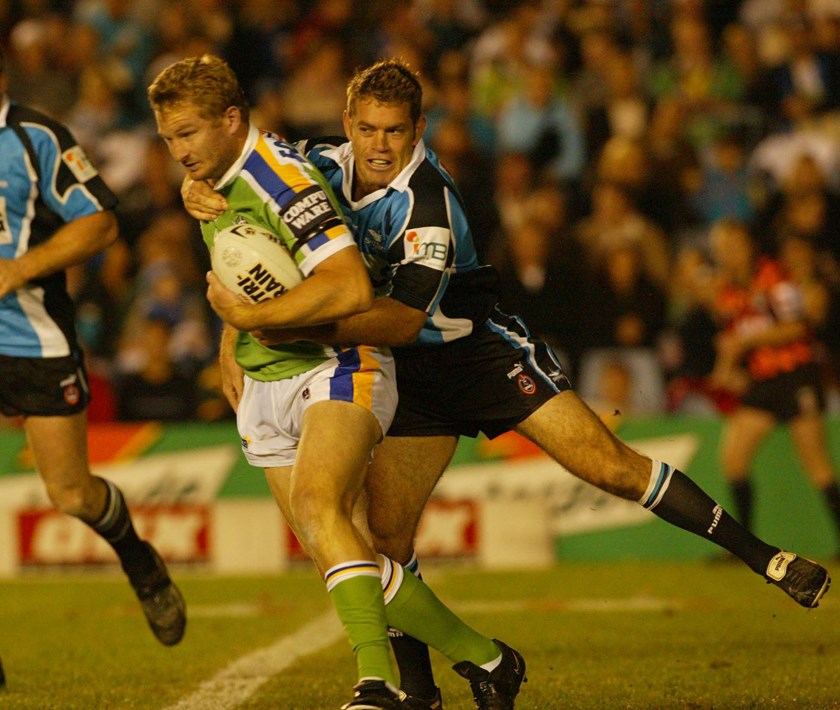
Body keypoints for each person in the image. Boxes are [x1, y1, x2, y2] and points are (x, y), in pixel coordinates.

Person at [186, 59, 831, 710]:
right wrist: (202, 205)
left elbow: (407, 320)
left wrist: (281, 329)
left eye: (395, 132)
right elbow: (238, 205)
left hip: (476, 353)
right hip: (400, 368)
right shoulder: (313, 166)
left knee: (607, 466)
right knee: (387, 538)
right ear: (347, 123)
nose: (380, 146)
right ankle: (419, 693)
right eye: (369, 129)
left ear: (420, 129)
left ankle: (767, 558)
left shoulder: (429, 202)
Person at [149, 54, 526, 710]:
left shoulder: (282, 181)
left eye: (186, 134)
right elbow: (243, 257)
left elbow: (349, 286)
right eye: (168, 138)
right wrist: (233, 337)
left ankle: (376, 684)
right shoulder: (213, 173)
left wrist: (251, 320)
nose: (177, 151)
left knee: (323, 508)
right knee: (335, 548)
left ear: (231, 121)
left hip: (338, 365)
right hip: (267, 381)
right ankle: (488, 658)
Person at [0, 47, 185, 646]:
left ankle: (139, 560)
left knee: (72, 493)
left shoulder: (34, 138)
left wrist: (20, 267)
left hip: (33, 337)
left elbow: (101, 223)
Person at [708, 218, 840, 556]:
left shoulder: (775, 277)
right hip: (763, 382)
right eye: (723, 250)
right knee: (734, 458)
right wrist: (726, 368)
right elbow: (732, 339)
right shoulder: (728, 291)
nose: (729, 254)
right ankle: (744, 546)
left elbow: (797, 328)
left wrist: (747, 342)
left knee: (816, 461)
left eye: (734, 246)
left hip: (796, 375)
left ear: (749, 246)